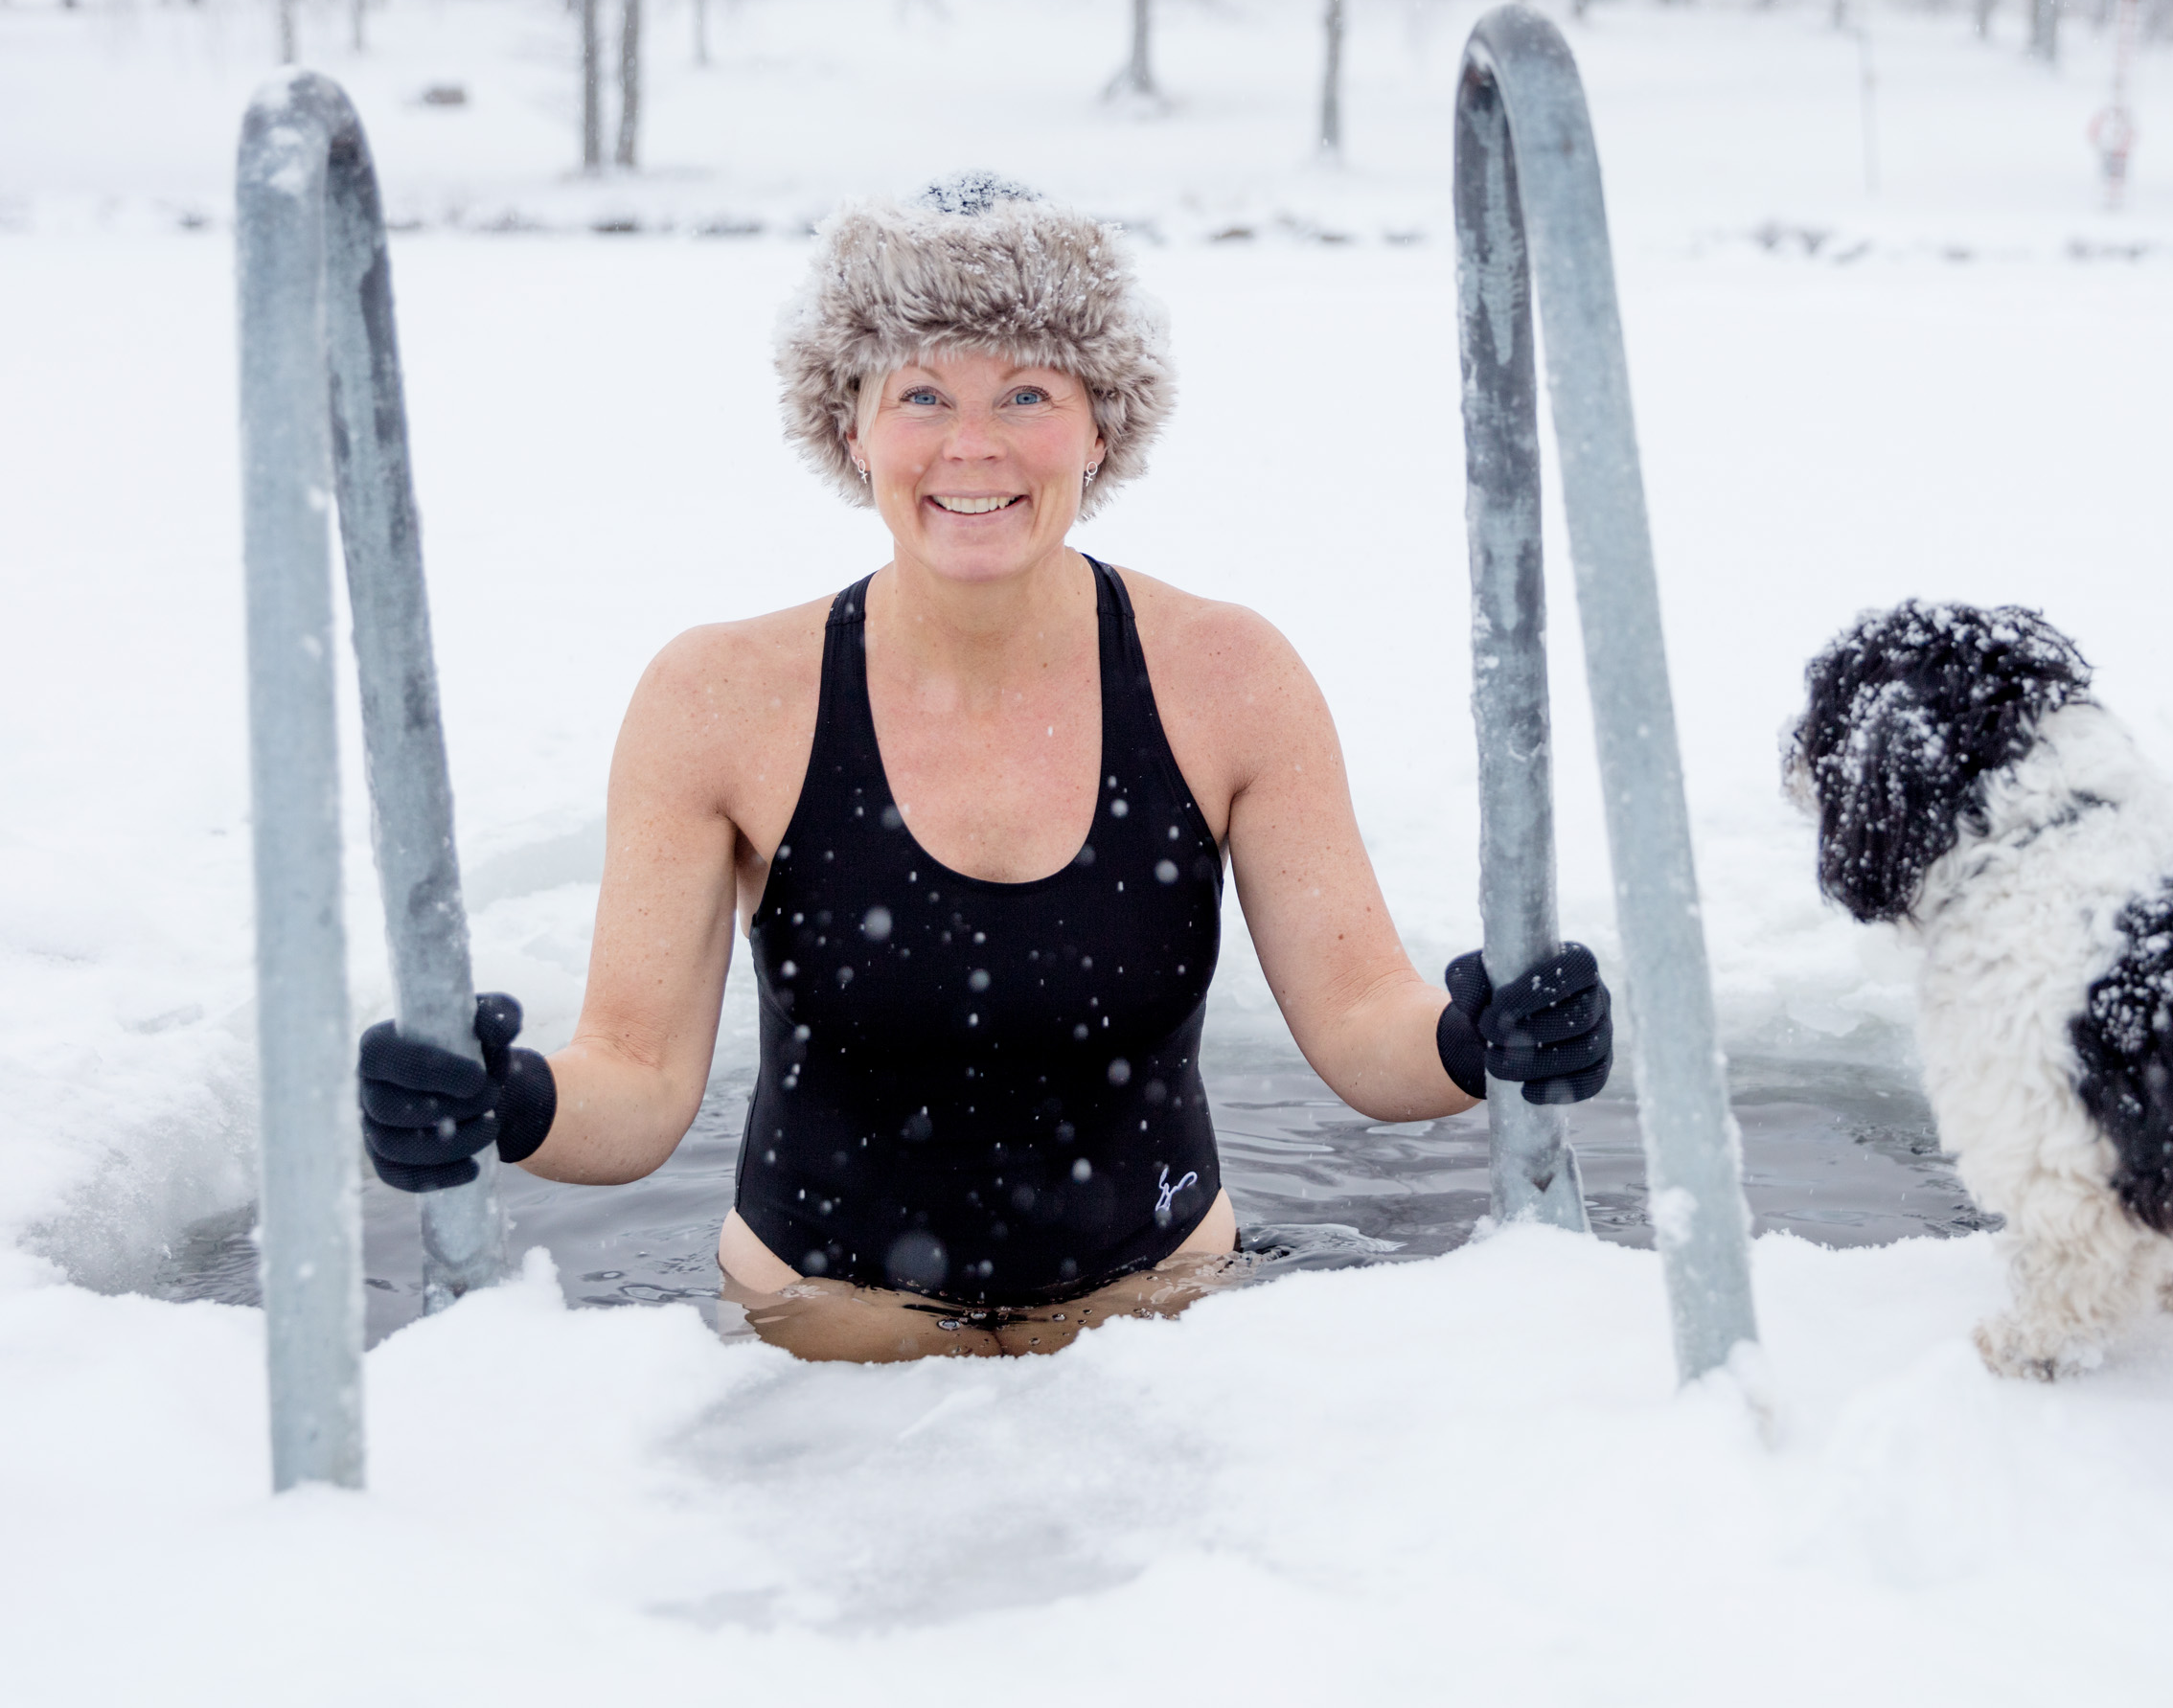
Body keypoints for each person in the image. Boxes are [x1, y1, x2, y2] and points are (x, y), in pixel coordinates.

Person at [354, 175, 1613, 1359]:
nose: (973, 446)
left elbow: (1358, 1026)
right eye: (921, 395)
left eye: (1026, 393)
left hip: (1163, 1349)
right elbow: (632, 1078)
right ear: (849, 427)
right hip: (811, 1361)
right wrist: (502, 1102)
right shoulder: (721, 699)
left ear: (1100, 426)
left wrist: (1478, 1037)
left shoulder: (1227, 676)